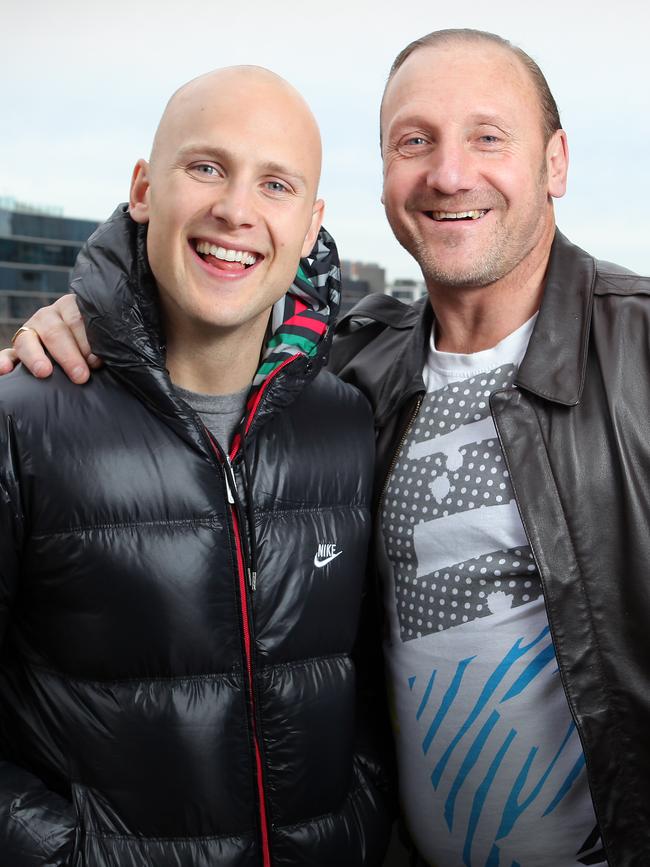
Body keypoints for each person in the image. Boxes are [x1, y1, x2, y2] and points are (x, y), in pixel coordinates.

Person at [4, 28, 648, 867]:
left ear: (556, 162)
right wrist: (76, 318)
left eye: (488, 136)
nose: (450, 172)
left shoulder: (636, 353)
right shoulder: (352, 372)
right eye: (414, 141)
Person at [0, 66, 392, 866]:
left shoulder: (348, 426)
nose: (236, 210)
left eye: (275, 184)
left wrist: (360, 809)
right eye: (206, 166)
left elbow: (376, 684)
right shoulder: (22, 418)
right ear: (145, 188)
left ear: (311, 224)